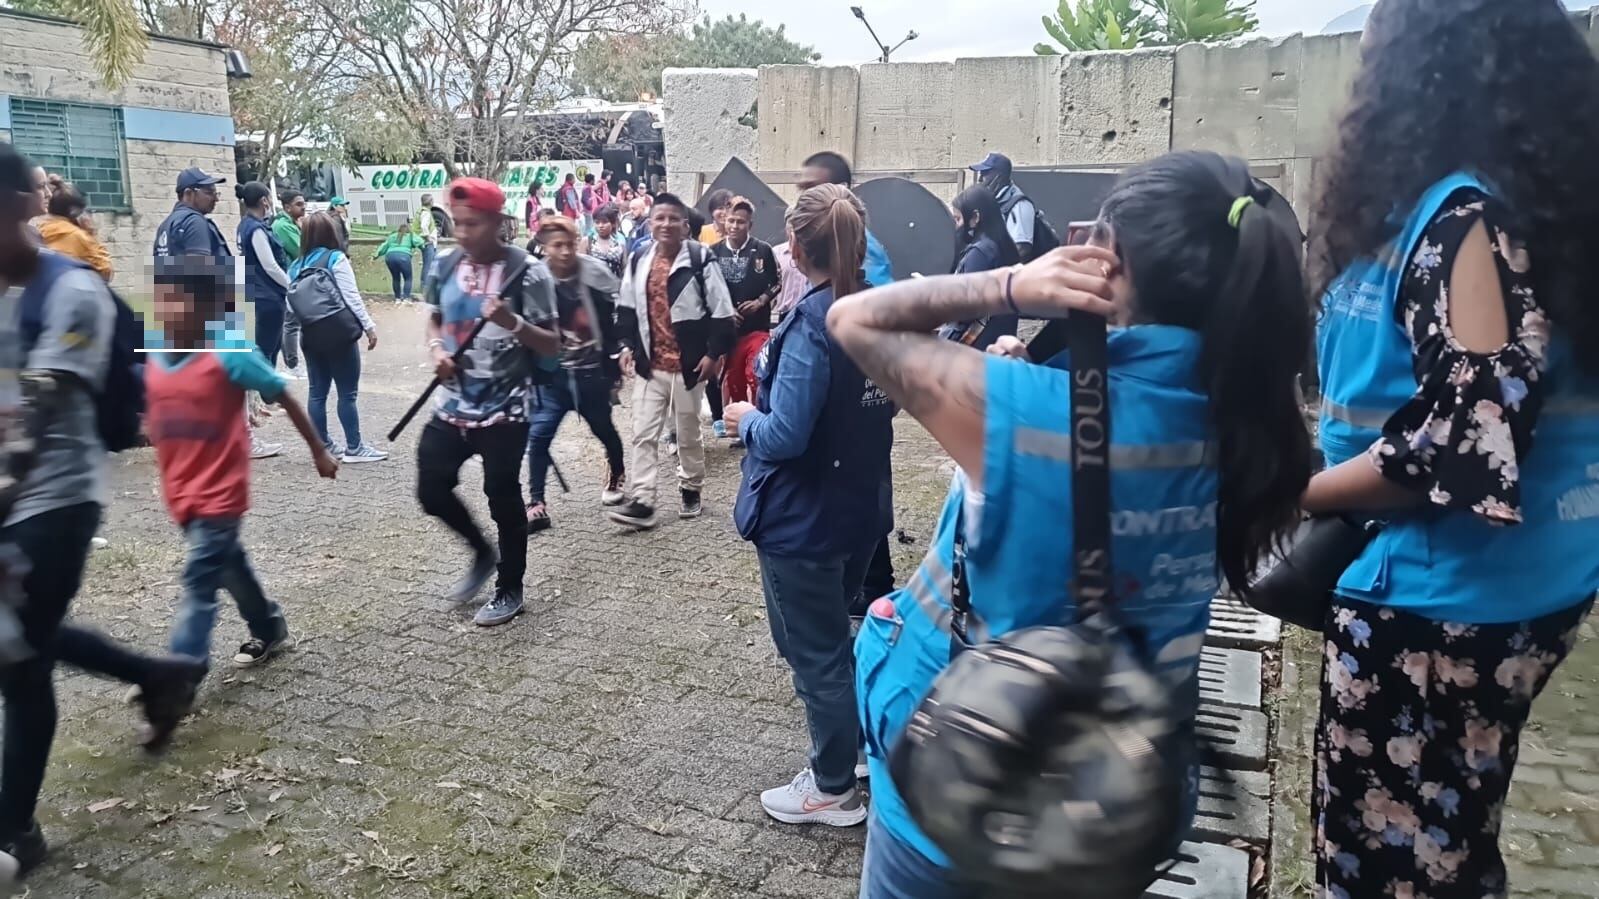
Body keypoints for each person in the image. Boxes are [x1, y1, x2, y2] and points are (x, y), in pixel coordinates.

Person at [831, 150, 1313, 896]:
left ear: (1108, 257)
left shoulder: (1021, 409)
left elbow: (852, 318)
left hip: (974, 779)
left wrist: (1010, 284)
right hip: (1115, 788)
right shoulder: (1258, 426)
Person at [1302, 3, 1599, 896]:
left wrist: (1297, 490)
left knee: (1387, 860)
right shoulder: (1521, 207)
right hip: (1523, 581)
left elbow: (1466, 440)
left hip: (1436, 605)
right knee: (1447, 831)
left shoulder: (1462, 219)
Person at [0, 143, 209, 881]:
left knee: (18, 654)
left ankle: (15, 829)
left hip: (56, 495)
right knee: (28, 639)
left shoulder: (72, 292)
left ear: (25, 206)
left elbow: (38, 420)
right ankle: (159, 674)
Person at [724, 183, 895, 827]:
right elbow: (891, 402)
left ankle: (830, 788)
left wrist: (744, 417)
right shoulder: (876, 311)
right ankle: (847, 753)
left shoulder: (811, 323)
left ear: (794, 247)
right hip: (860, 508)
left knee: (814, 652)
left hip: (805, 520)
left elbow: (786, 435)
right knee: (835, 641)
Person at [146, 258, 338, 674]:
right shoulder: (156, 349)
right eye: (160, 300)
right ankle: (268, 626)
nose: (164, 311)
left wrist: (318, 449)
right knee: (229, 567)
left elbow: (281, 393)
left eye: (176, 302)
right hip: (179, 489)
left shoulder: (230, 351)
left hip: (220, 491)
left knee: (200, 582)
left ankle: (179, 677)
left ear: (208, 309)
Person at [417, 178, 558, 627]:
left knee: (502, 495)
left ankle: (509, 587)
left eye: (472, 224)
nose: (462, 233)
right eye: (456, 224)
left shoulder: (528, 272)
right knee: (431, 488)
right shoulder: (442, 265)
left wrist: (511, 321)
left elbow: (552, 345)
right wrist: (438, 351)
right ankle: (480, 551)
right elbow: (435, 319)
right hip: (455, 402)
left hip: (508, 406)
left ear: (499, 223)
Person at [798, 151, 897, 606]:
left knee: (864, 494)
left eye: (808, 186)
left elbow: (874, 324)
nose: (799, 195)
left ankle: (873, 587)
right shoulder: (820, 257)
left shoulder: (863, 252)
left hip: (854, 405)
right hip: (848, 409)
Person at [608, 193, 735, 529]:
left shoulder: (699, 258)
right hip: (651, 365)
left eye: (672, 219)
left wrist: (713, 354)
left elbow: (723, 312)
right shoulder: (637, 259)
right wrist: (623, 345)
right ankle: (644, 501)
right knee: (643, 433)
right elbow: (625, 309)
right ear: (650, 223)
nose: (665, 224)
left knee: (688, 434)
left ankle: (691, 486)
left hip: (689, 367)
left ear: (684, 225)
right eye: (659, 218)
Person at [524, 216, 627, 532]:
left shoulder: (594, 272)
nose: (566, 251)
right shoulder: (533, 279)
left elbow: (620, 312)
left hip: (591, 375)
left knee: (605, 432)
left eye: (570, 244)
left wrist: (620, 350)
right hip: (553, 378)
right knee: (538, 437)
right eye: (558, 245)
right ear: (545, 247)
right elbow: (523, 325)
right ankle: (536, 502)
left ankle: (617, 470)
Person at [290, 213, 386, 463]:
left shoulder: (295, 266)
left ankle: (322, 444)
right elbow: (351, 296)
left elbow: (291, 308)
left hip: (310, 335)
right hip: (339, 335)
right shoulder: (335, 259)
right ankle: (354, 447)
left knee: (316, 393)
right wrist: (369, 327)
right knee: (347, 393)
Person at [712, 197, 781, 421]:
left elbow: (777, 281)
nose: (734, 226)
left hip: (757, 329)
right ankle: (740, 424)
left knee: (755, 374)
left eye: (740, 222)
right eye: (731, 221)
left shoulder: (763, 250)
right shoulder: (713, 253)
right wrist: (726, 309)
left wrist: (761, 300)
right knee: (734, 380)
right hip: (727, 332)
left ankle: (761, 418)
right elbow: (707, 288)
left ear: (750, 225)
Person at [936, 185, 1022, 350]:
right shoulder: (1003, 247)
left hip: (976, 346)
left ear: (975, 217)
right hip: (1000, 341)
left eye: (958, 219)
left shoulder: (980, 253)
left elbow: (967, 306)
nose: (956, 226)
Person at [799, 152, 894, 287]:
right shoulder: (821, 240)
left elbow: (876, 300)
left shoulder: (858, 246)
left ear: (842, 189)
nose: (804, 196)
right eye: (802, 189)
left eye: (813, 188)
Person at [235, 182, 292, 365]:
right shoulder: (256, 229)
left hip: (256, 294)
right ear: (264, 201)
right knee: (268, 351)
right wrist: (291, 285)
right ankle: (268, 391)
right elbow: (270, 266)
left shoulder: (244, 225)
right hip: (267, 298)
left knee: (266, 348)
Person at [37, 180, 112, 281]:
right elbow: (106, 272)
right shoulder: (78, 237)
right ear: (75, 212)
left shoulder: (39, 230)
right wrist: (91, 235)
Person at [969, 152, 1037, 261]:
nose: (980, 179)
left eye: (985, 174)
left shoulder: (1019, 205)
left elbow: (1022, 249)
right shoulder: (992, 201)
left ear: (998, 177)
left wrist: (993, 267)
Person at [272, 190, 308, 379]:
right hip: (289, 279)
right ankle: (292, 365)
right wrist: (303, 230)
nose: (304, 207)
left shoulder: (290, 223)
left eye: (303, 203)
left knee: (291, 322)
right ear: (287, 207)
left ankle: (290, 363)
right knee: (291, 323)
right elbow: (301, 250)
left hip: (295, 278)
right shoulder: (283, 226)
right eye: (299, 204)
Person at [374, 220, 426, 302]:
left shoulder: (392, 236)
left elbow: (383, 246)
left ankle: (397, 299)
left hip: (389, 256)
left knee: (395, 278)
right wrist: (424, 247)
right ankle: (406, 299)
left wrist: (375, 255)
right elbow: (420, 242)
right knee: (408, 278)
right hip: (403, 256)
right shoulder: (410, 235)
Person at [583, 204, 627, 276]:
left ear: (613, 224)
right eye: (597, 222)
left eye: (604, 222)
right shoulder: (587, 242)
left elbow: (624, 270)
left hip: (614, 285)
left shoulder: (620, 245)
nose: (600, 226)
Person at [413, 193, 440, 286]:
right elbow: (424, 226)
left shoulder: (421, 211)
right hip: (427, 242)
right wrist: (428, 237)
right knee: (428, 265)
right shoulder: (426, 213)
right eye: (432, 200)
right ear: (430, 202)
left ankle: (427, 284)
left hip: (423, 242)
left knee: (428, 263)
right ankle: (425, 286)